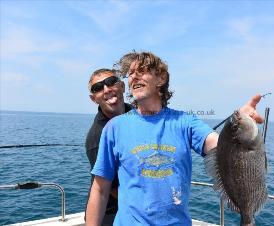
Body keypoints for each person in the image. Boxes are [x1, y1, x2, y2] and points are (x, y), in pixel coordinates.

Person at [86, 52, 263, 226]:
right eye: (130, 73)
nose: (134, 77)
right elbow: (100, 189)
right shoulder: (114, 128)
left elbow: (219, 145)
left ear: (161, 78)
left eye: (142, 70)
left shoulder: (186, 122)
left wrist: (240, 124)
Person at [85, 68, 131, 226]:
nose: (106, 89)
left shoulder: (138, 114)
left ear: (122, 86)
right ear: (94, 98)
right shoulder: (97, 137)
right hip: (109, 212)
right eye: (98, 88)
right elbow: (109, 187)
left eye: (111, 82)